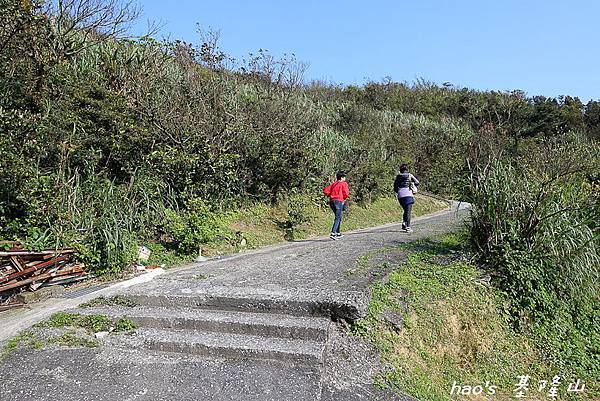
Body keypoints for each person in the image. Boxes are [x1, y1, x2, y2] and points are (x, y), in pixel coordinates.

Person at [323, 170, 350, 240]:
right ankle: (333, 233)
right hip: (339, 201)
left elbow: (325, 191)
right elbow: (346, 193)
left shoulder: (334, 184)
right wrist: (343, 198)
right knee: (338, 217)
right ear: (341, 177)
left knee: (338, 216)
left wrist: (331, 195)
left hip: (332, 202)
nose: (345, 178)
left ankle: (338, 233)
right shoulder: (343, 183)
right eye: (344, 177)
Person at [393, 164, 419, 232]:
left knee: (405, 210)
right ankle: (408, 227)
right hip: (408, 194)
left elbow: (395, 188)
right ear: (407, 169)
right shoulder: (410, 175)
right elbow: (417, 182)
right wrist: (412, 184)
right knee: (408, 211)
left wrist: (400, 191)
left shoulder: (398, 177)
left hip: (400, 196)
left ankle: (404, 223)